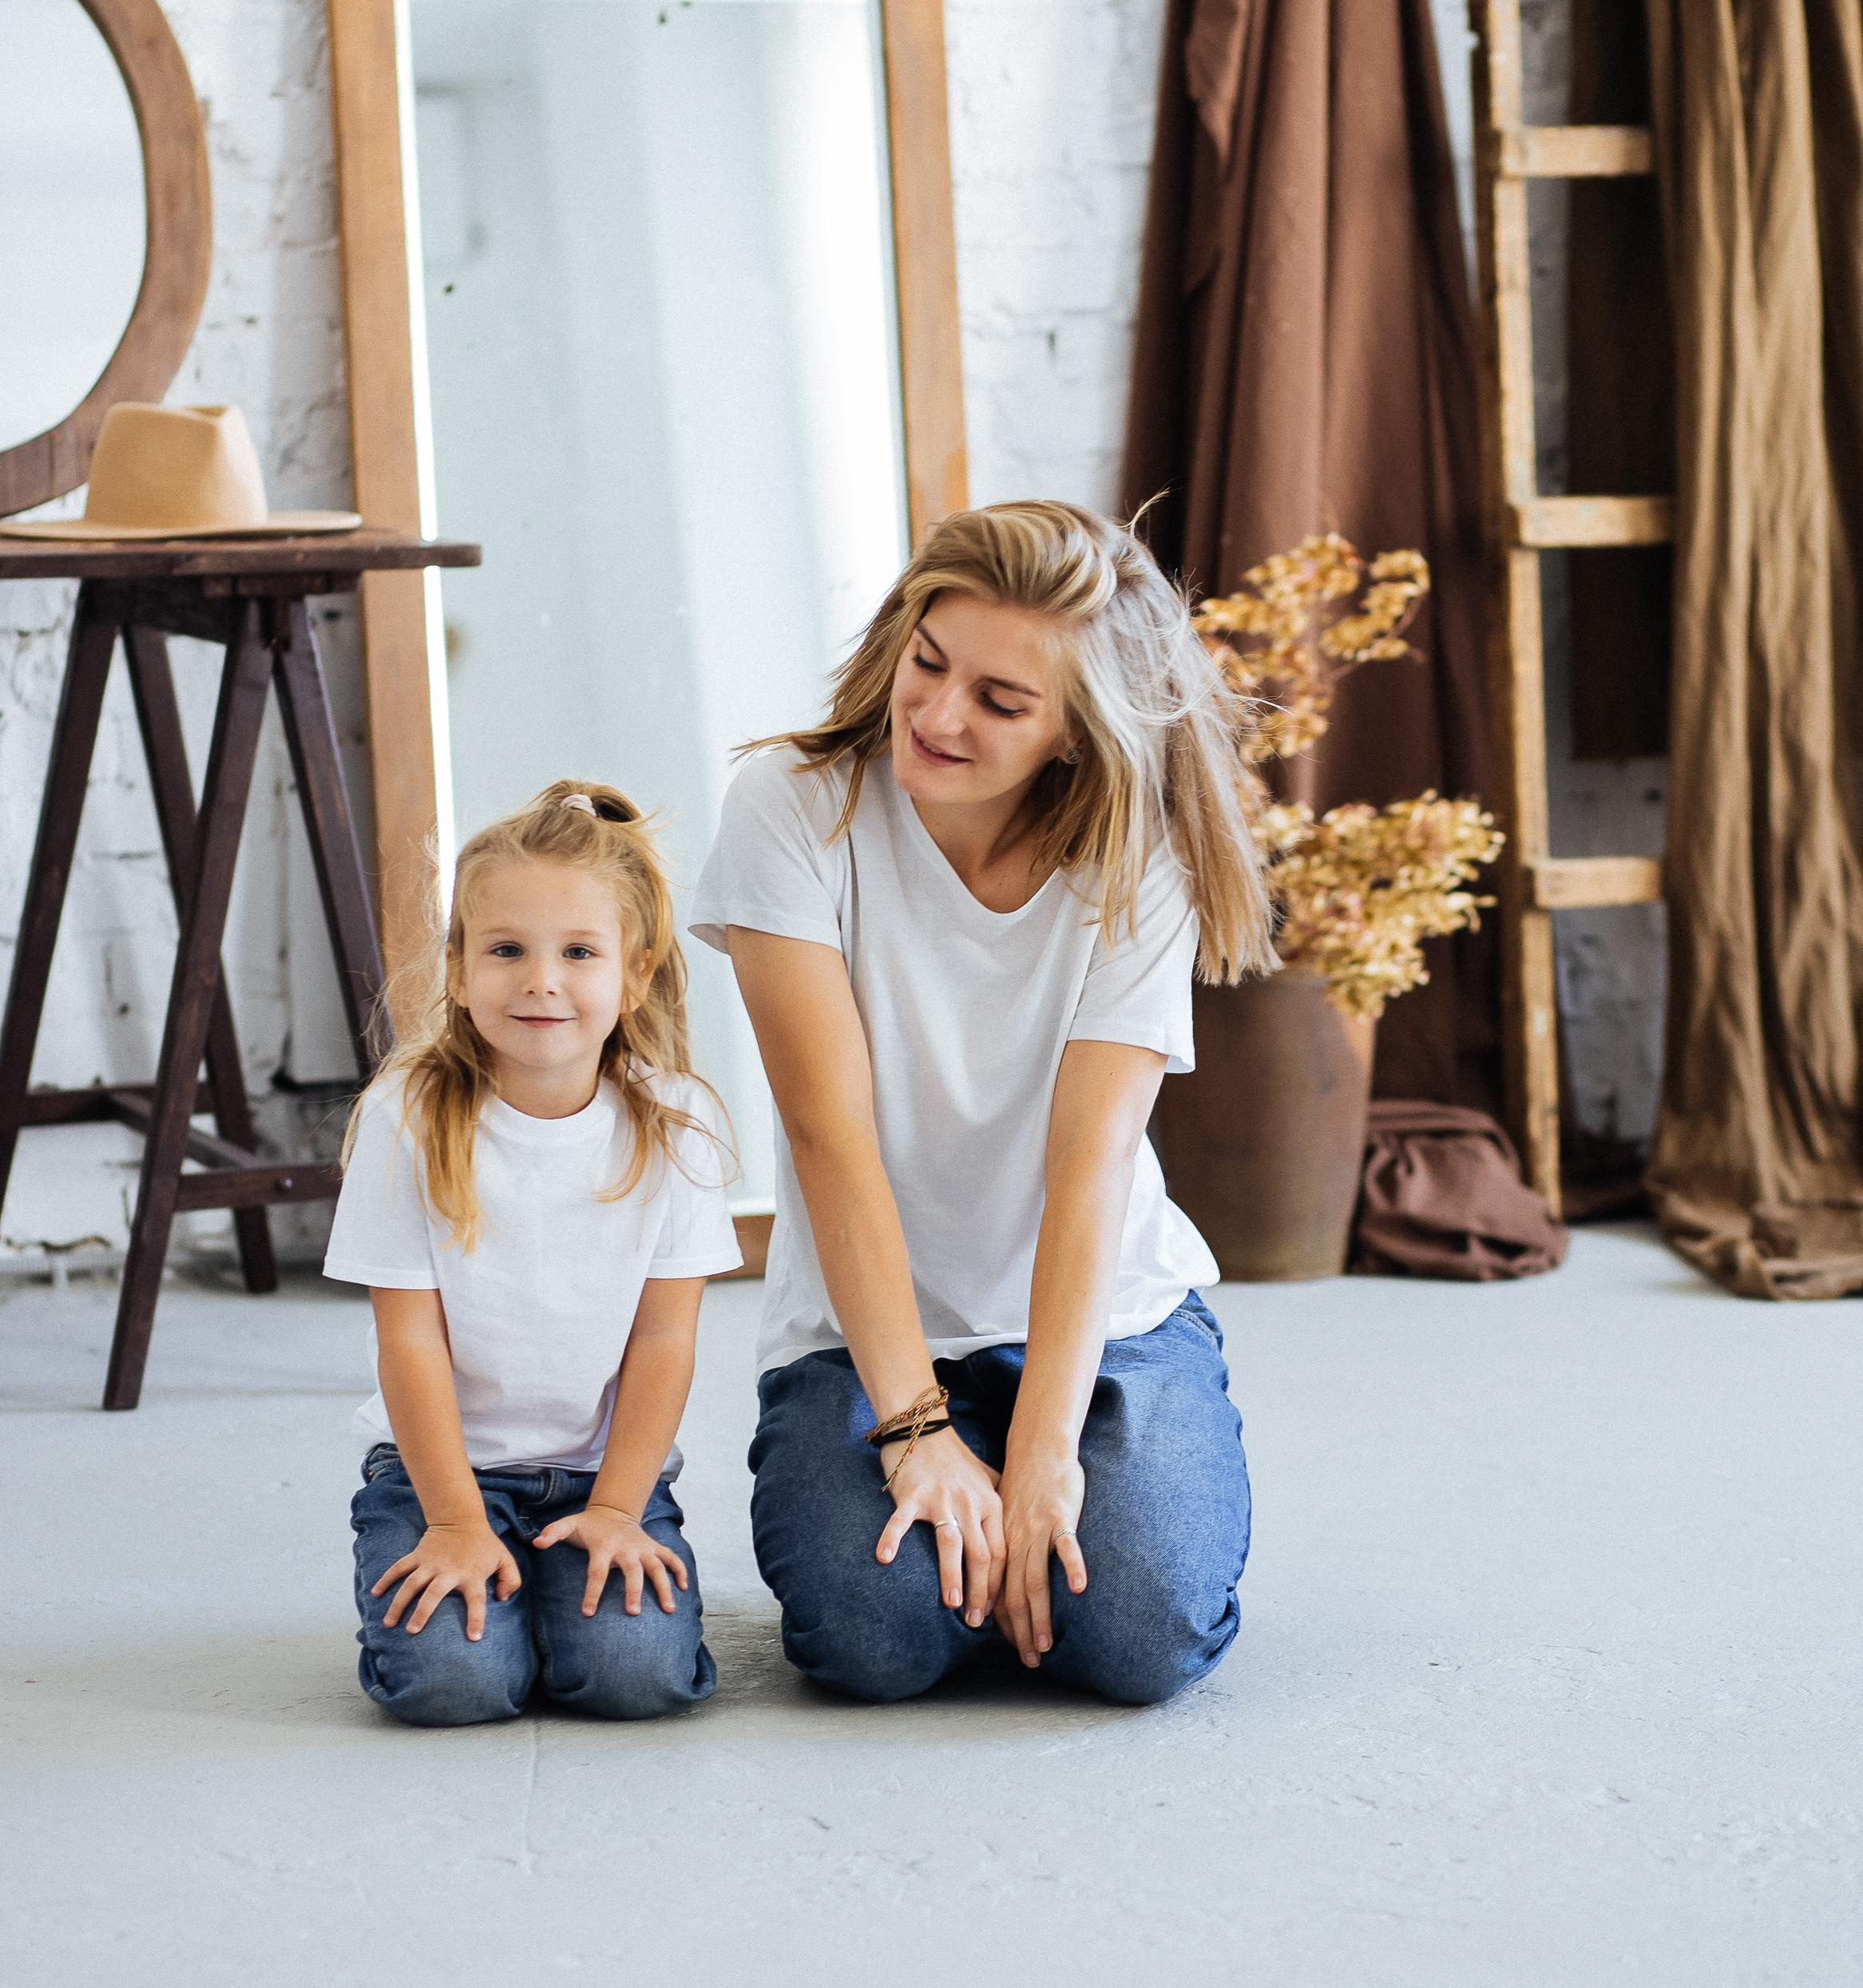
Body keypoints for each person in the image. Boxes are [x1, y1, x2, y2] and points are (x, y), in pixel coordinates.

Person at [691, 500, 1274, 1706]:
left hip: (1105, 1321)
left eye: (1001, 702)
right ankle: (982, 1549)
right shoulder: (790, 807)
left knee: (1141, 1636)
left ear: (1075, 735)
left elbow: (1089, 1162)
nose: (938, 715)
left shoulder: (1136, 855)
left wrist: (1045, 1456)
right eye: (928, 661)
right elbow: (828, 1136)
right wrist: (915, 1432)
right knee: (874, 1641)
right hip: (863, 1334)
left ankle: (1034, 1529)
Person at [325, 781, 740, 1726]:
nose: (541, 980)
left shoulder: (676, 1123)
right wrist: (454, 1520)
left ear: (633, 974)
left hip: (604, 1472)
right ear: (457, 968)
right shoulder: (407, 1115)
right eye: (506, 949)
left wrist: (620, 1510)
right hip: (439, 1473)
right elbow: (410, 1342)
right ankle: (505, 1602)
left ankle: (555, 1605)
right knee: (454, 1681)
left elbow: (663, 1342)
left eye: (578, 952)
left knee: (636, 1676)